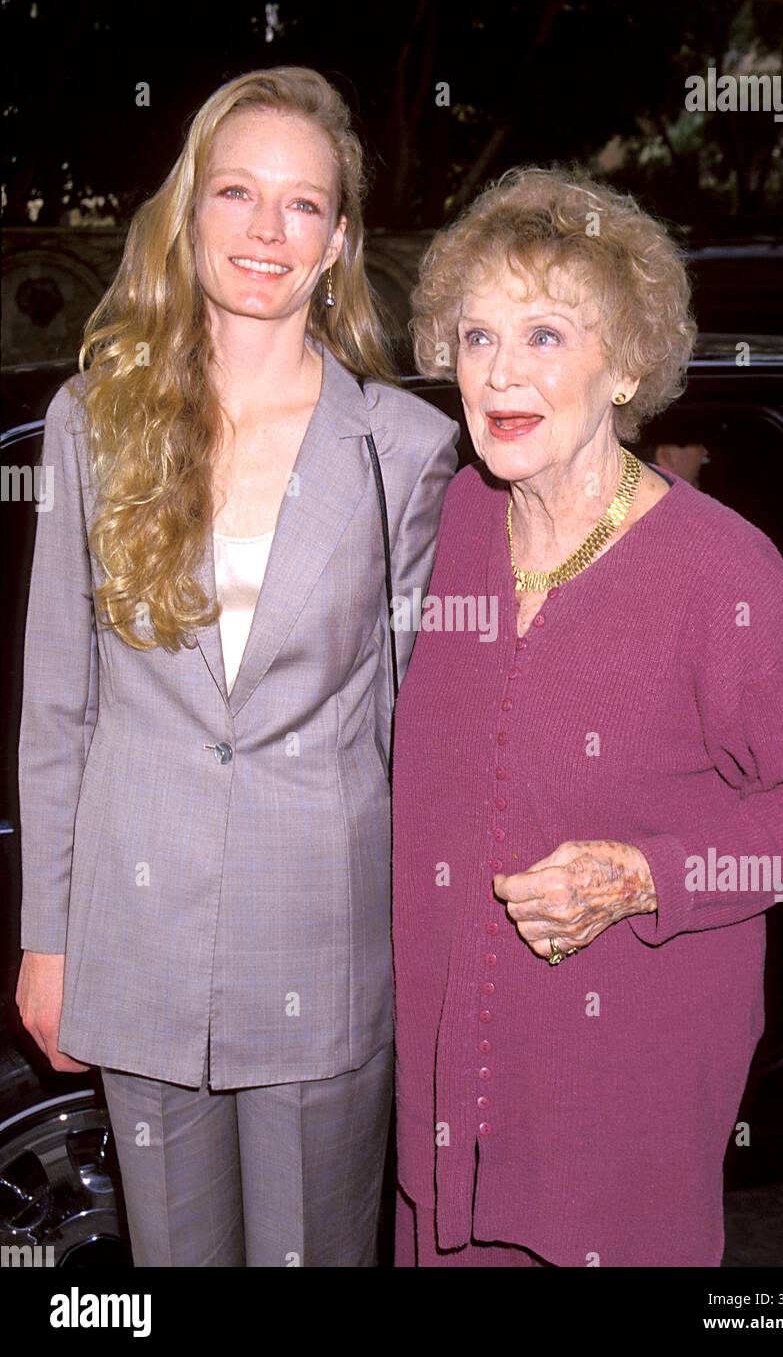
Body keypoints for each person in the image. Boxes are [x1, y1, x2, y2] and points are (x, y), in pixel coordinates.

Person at [16, 65, 459, 1267]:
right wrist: (49, 943)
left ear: (339, 242)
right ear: (189, 214)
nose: (268, 231)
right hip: (139, 939)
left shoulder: (405, 451)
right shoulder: (92, 422)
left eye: (303, 205)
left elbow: (419, 730)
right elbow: (59, 706)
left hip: (327, 942)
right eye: (238, 193)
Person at [391, 165, 783, 1266]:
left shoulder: (718, 572)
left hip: (619, 1106)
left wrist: (647, 875)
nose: (501, 372)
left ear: (625, 366)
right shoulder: (458, 519)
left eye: (546, 335)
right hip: (448, 1098)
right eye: (476, 337)